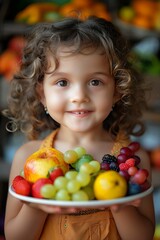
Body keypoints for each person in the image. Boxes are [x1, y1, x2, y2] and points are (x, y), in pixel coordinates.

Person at [3, 16, 155, 240]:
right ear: (42, 93)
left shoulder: (132, 159)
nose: (79, 97)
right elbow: (16, 236)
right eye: (62, 82)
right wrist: (36, 204)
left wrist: (120, 204)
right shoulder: (28, 157)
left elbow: (143, 236)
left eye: (95, 82)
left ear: (117, 91)